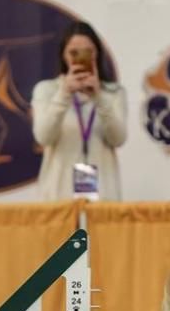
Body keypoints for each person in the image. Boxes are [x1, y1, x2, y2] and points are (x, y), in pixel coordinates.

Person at [31, 21, 127, 201]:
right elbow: (43, 136)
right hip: (59, 199)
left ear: (97, 54)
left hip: (102, 199)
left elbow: (118, 138)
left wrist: (99, 97)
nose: (81, 58)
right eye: (73, 53)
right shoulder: (47, 90)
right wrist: (64, 94)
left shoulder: (113, 93)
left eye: (88, 52)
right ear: (64, 56)